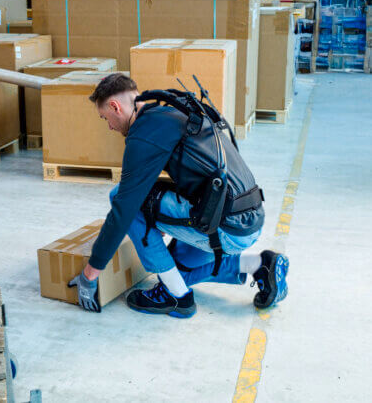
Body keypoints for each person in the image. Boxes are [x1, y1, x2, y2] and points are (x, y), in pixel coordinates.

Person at [68, 73, 289, 318]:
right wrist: (158, 216)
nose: (109, 126)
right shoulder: (172, 112)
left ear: (115, 106)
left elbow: (123, 211)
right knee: (174, 271)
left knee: (120, 197)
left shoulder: (143, 134)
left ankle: (178, 299)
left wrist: (90, 274)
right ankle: (260, 265)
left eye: (105, 118)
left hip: (226, 228)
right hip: (248, 219)